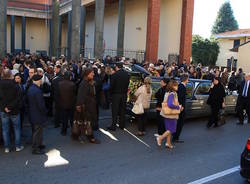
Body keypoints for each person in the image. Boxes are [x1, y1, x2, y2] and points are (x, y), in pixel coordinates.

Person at [0, 69, 24, 153]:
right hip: (14, 110)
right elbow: (18, 98)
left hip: (3, 110)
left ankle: (7, 148)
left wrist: (5, 108)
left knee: (5, 129)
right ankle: (18, 146)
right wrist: (9, 107)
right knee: (16, 129)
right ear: (11, 75)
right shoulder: (15, 85)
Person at [76, 68, 100, 144]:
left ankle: (82, 136)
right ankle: (90, 137)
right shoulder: (83, 83)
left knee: (86, 122)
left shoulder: (89, 82)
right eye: (92, 73)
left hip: (90, 105)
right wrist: (79, 106)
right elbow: (80, 96)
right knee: (87, 122)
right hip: (86, 106)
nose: (93, 74)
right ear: (87, 74)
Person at [157, 80, 181, 149]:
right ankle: (160, 138)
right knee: (172, 129)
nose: (177, 87)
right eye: (176, 85)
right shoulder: (172, 94)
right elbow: (170, 104)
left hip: (167, 113)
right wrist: (178, 107)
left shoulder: (168, 92)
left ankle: (168, 143)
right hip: (171, 114)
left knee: (168, 129)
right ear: (172, 86)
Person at [27, 74, 48, 155]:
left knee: (37, 131)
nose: (42, 81)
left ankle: (39, 145)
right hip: (38, 114)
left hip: (32, 113)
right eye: (41, 79)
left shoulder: (31, 89)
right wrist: (45, 112)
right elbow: (41, 105)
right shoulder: (37, 91)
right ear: (38, 80)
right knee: (37, 132)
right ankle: (35, 148)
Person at [107, 62, 130, 131]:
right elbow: (128, 84)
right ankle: (122, 125)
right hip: (124, 94)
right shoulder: (127, 74)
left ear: (117, 67)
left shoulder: (114, 75)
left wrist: (110, 95)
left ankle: (113, 126)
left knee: (115, 110)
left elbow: (111, 86)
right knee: (122, 110)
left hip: (116, 95)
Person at [58, 71, 76, 135]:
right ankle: (74, 130)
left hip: (62, 104)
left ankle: (64, 131)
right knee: (72, 119)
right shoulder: (73, 84)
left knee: (64, 119)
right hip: (71, 104)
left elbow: (58, 94)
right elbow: (74, 95)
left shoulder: (59, 84)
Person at [173, 74, 189, 143]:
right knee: (180, 123)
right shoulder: (182, 87)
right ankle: (176, 137)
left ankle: (175, 135)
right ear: (185, 80)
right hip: (181, 108)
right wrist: (181, 106)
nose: (188, 81)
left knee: (178, 122)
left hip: (179, 107)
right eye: (188, 79)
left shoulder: (180, 86)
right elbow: (180, 97)